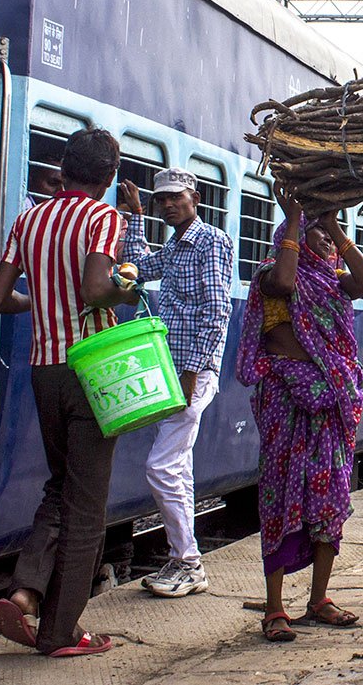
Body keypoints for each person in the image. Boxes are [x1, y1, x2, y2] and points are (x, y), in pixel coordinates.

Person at [0, 128, 137, 657]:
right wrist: (128, 287)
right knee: (87, 508)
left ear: (65, 167)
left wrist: (40, 304)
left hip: (43, 371)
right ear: (109, 175)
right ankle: (60, 632)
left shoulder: (28, 219)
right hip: (91, 370)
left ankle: (26, 593)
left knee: (59, 488)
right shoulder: (103, 216)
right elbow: (98, 289)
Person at [236, 186, 363, 641]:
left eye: (329, 239)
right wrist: (296, 218)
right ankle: (275, 608)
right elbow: (285, 282)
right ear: (291, 237)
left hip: (331, 405)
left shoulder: (335, 281)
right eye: (315, 237)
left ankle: (319, 599)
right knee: (279, 498)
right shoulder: (268, 277)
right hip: (285, 402)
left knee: (331, 499)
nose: (325, 244)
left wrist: (333, 225)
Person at [117, 168, 233, 598]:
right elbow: (142, 267)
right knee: (177, 465)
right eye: (160, 199)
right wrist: (133, 218)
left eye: (175, 198)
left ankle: (188, 561)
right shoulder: (175, 245)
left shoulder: (210, 242)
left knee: (161, 466)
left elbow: (217, 312)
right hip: (175, 369)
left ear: (195, 198)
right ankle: (185, 561)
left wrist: (192, 374)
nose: (167, 205)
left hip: (191, 372)